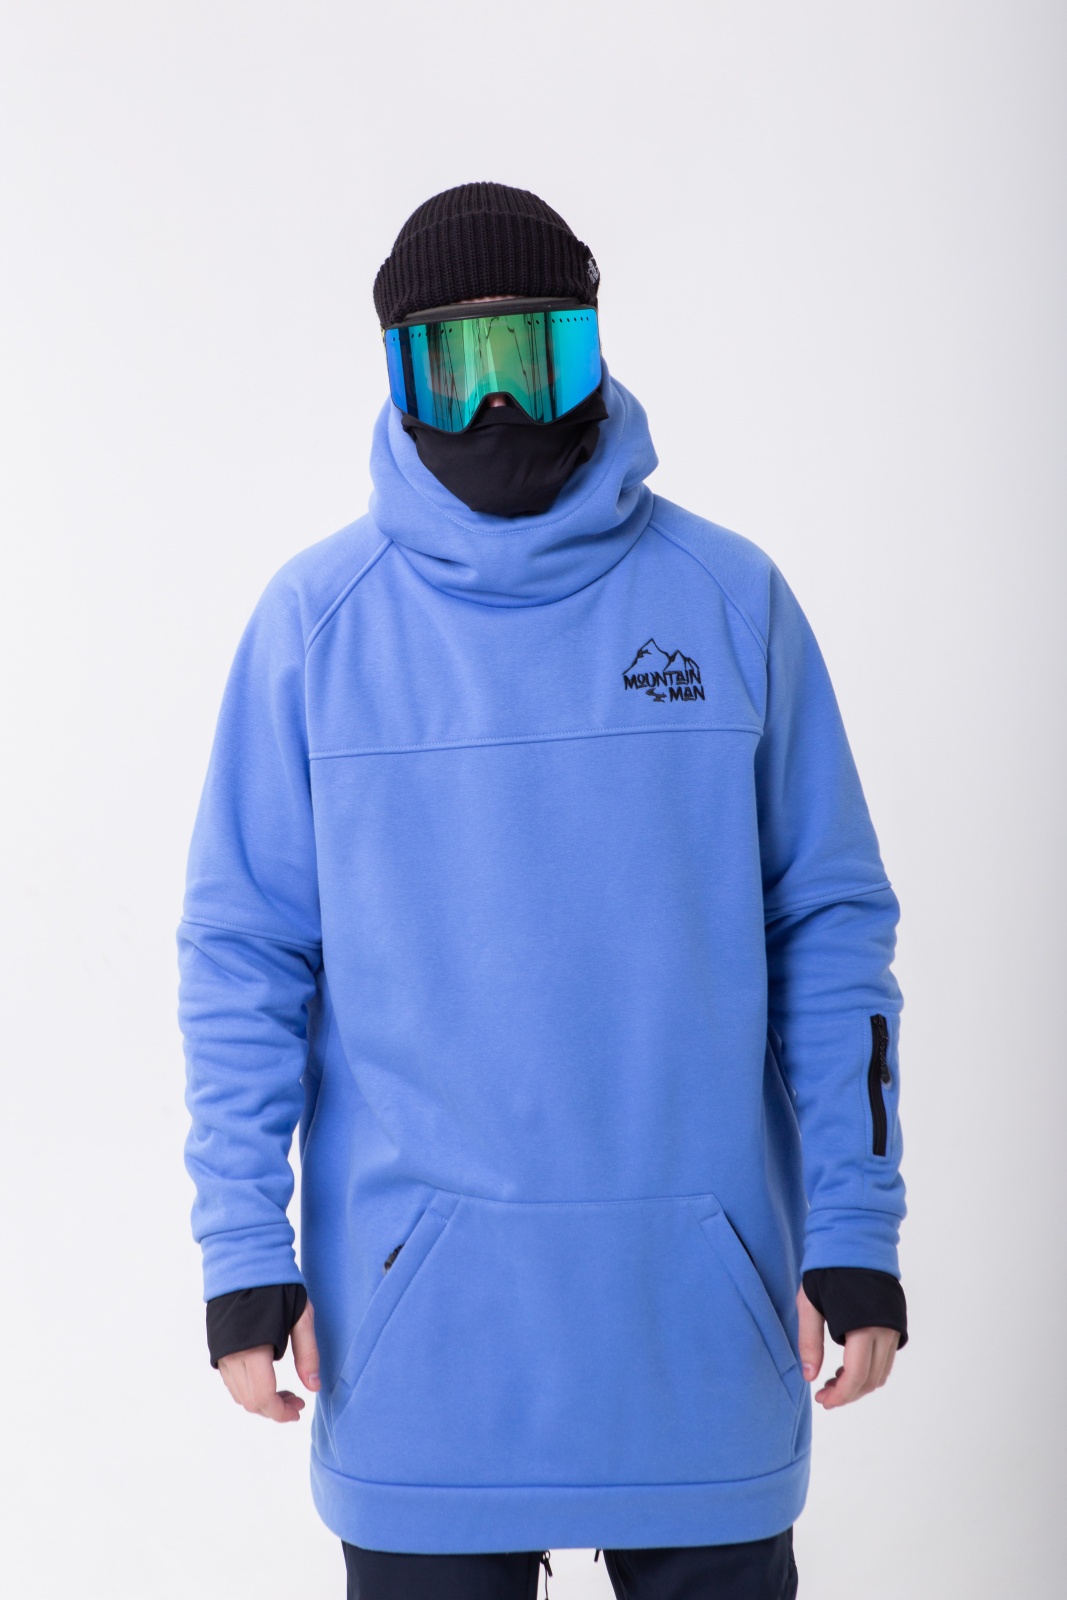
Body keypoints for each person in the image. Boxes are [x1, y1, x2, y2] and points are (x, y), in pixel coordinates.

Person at [179, 182, 909, 1600]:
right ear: (397, 375)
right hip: (420, 1347)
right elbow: (243, 958)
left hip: (698, 1333)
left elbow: (829, 930)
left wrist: (856, 1225)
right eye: (455, 368)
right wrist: (241, 1249)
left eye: (532, 356)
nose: (499, 407)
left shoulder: (728, 600)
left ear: (594, 348)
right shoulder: (316, 630)